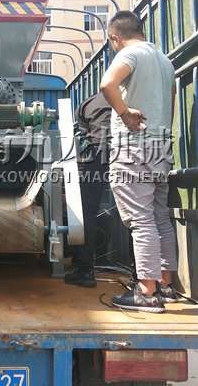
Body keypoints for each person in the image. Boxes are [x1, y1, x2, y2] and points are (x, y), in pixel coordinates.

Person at [99, 10, 178, 313]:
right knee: (160, 217)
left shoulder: (129, 54)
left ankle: (146, 292)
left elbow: (107, 84)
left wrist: (125, 113)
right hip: (161, 147)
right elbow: (171, 99)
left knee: (141, 219)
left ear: (115, 37)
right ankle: (166, 285)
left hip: (135, 148)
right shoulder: (165, 61)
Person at [64, 93, 112, 287]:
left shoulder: (88, 103)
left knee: (86, 213)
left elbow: (81, 136)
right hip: (127, 150)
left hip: (95, 155)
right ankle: (140, 276)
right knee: (138, 216)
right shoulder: (131, 99)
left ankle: (85, 271)